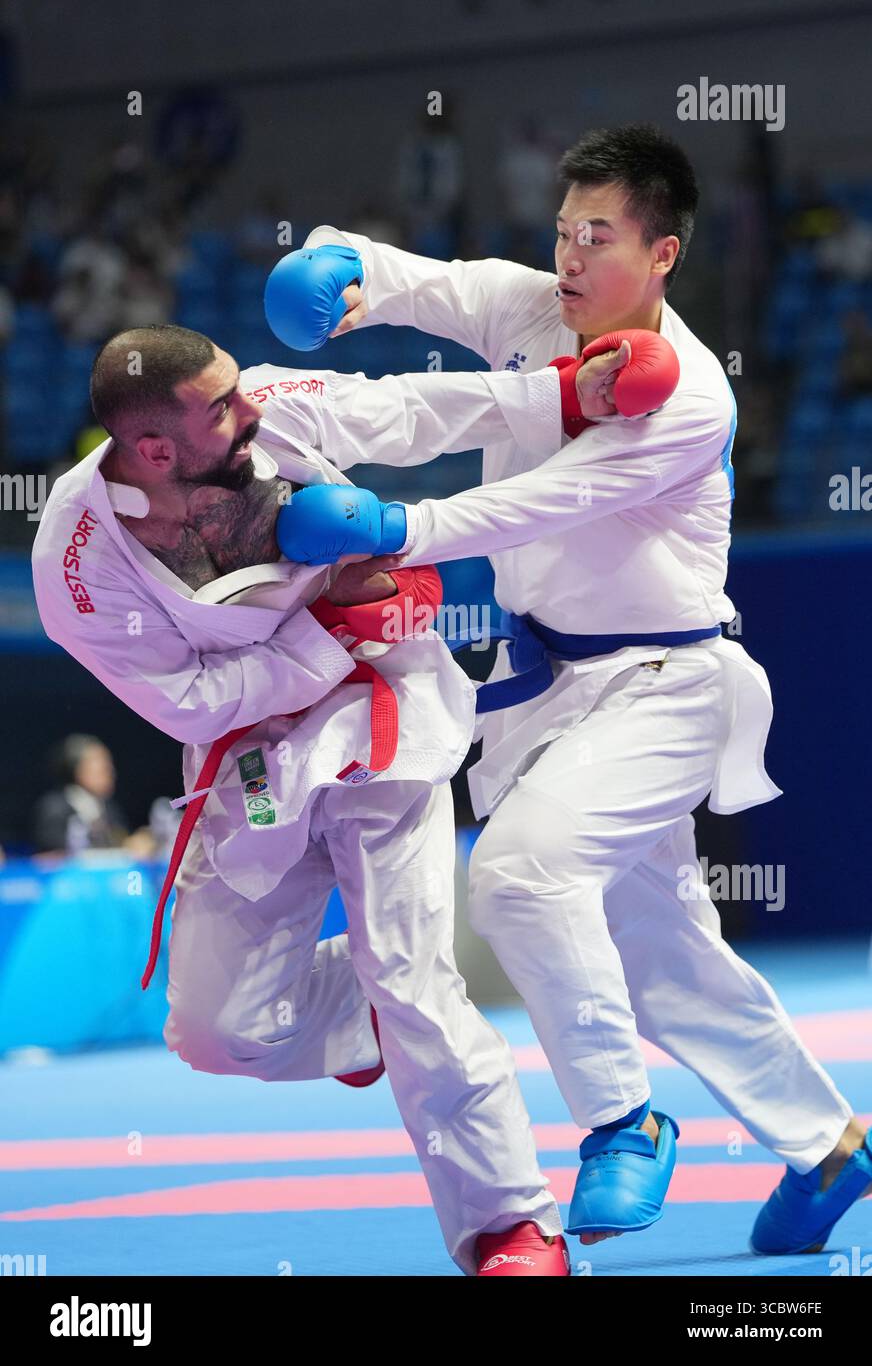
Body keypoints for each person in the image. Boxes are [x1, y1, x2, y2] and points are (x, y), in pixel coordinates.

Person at [267, 122, 871, 1255]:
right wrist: (345, 267)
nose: (569, 257)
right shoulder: (537, 311)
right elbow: (432, 285)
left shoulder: (687, 395)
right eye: (561, 231)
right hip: (556, 688)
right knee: (669, 966)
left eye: (598, 236)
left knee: (522, 876)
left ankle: (618, 1119)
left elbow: (539, 504)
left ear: (662, 254)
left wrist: (404, 526)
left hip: (665, 685)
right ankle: (828, 1146)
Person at [31, 321, 622, 1277]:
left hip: (382, 712)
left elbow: (413, 406)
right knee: (218, 1032)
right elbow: (188, 704)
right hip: (249, 762)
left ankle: (512, 1228)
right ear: (151, 449)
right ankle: (359, 1015)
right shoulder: (80, 565)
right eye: (221, 406)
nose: (251, 405)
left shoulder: (283, 421)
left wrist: (559, 395)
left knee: (416, 984)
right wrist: (329, 631)